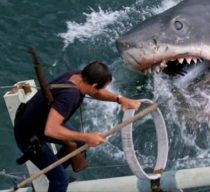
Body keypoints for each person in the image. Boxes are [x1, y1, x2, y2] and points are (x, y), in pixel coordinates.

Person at [13, 61, 141, 192]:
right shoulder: (70, 96)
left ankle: (53, 172)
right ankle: (56, 178)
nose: (100, 91)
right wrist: (87, 137)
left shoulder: (77, 76)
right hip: (29, 136)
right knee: (61, 181)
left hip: (37, 122)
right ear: (94, 84)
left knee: (77, 144)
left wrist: (120, 99)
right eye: (101, 87)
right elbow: (51, 130)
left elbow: (95, 92)